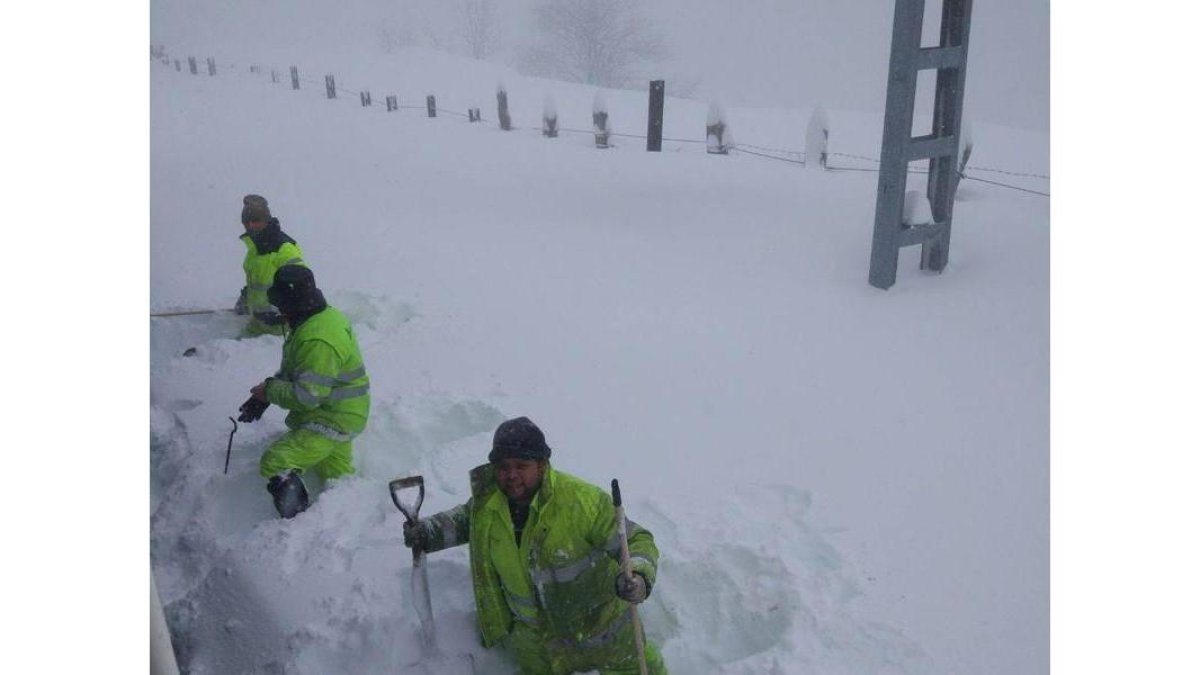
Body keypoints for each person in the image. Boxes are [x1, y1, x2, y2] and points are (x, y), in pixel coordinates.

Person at [403, 417, 668, 674]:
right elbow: (464, 522)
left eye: (521, 465)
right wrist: (428, 532)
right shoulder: (488, 504)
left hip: (601, 634)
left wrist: (639, 575)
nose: (511, 475)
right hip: (535, 645)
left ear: (541, 465)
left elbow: (635, 540)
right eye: (504, 466)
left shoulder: (581, 502)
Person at [237, 265, 371, 518]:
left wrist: (271, 391)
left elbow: (307, 396)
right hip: (345, 412)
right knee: (337, 475)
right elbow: (301, 370)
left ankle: (298, 524)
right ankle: (348, 516)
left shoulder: (317, 339)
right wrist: (266, 391)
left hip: (330, 418)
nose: (278, 310)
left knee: (275, 462)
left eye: (281, 304)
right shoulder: (321, 317)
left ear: (293, 303)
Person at [234, 194, 306, 336]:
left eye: (256, 220)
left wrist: (284, 313)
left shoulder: (284, 249)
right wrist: (246, 297)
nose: (250, 225)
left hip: (281, 333)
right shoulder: (254, 250)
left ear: (266, 220)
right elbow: (259, 282)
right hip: (257, 326)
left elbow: (302, 286)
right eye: (246, 222)